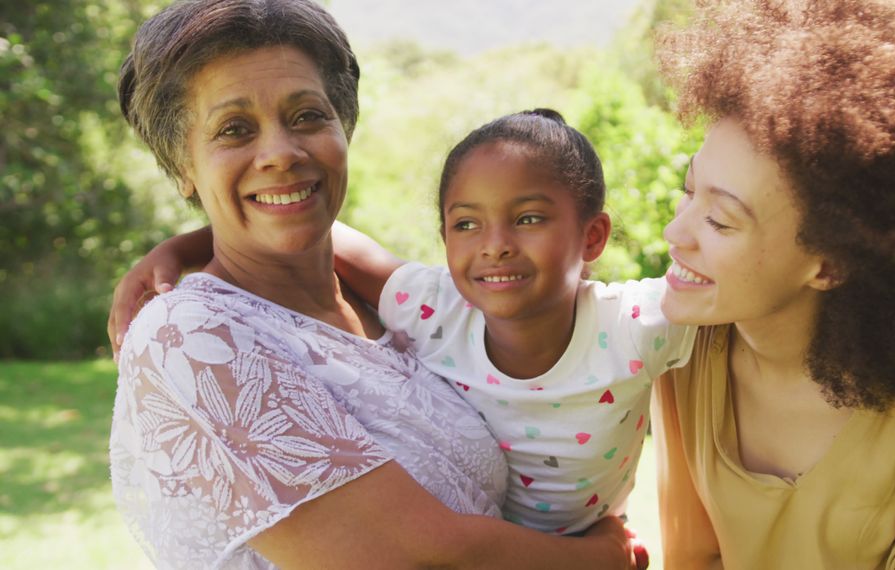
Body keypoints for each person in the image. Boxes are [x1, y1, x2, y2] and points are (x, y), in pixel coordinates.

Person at [108, 1, 640, 568]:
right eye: (234, 129)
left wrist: (182, 245)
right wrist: (602, 557)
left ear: (344, 128)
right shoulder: (191, 339)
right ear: (183, 166)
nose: (282, 153)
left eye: (308, 116)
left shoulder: (391, 306)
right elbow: (413, 558)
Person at [648, 0, 895, 568]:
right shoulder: (683, 354)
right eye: (690, 190)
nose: (674, 232)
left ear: (831, 265)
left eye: (720, 220)